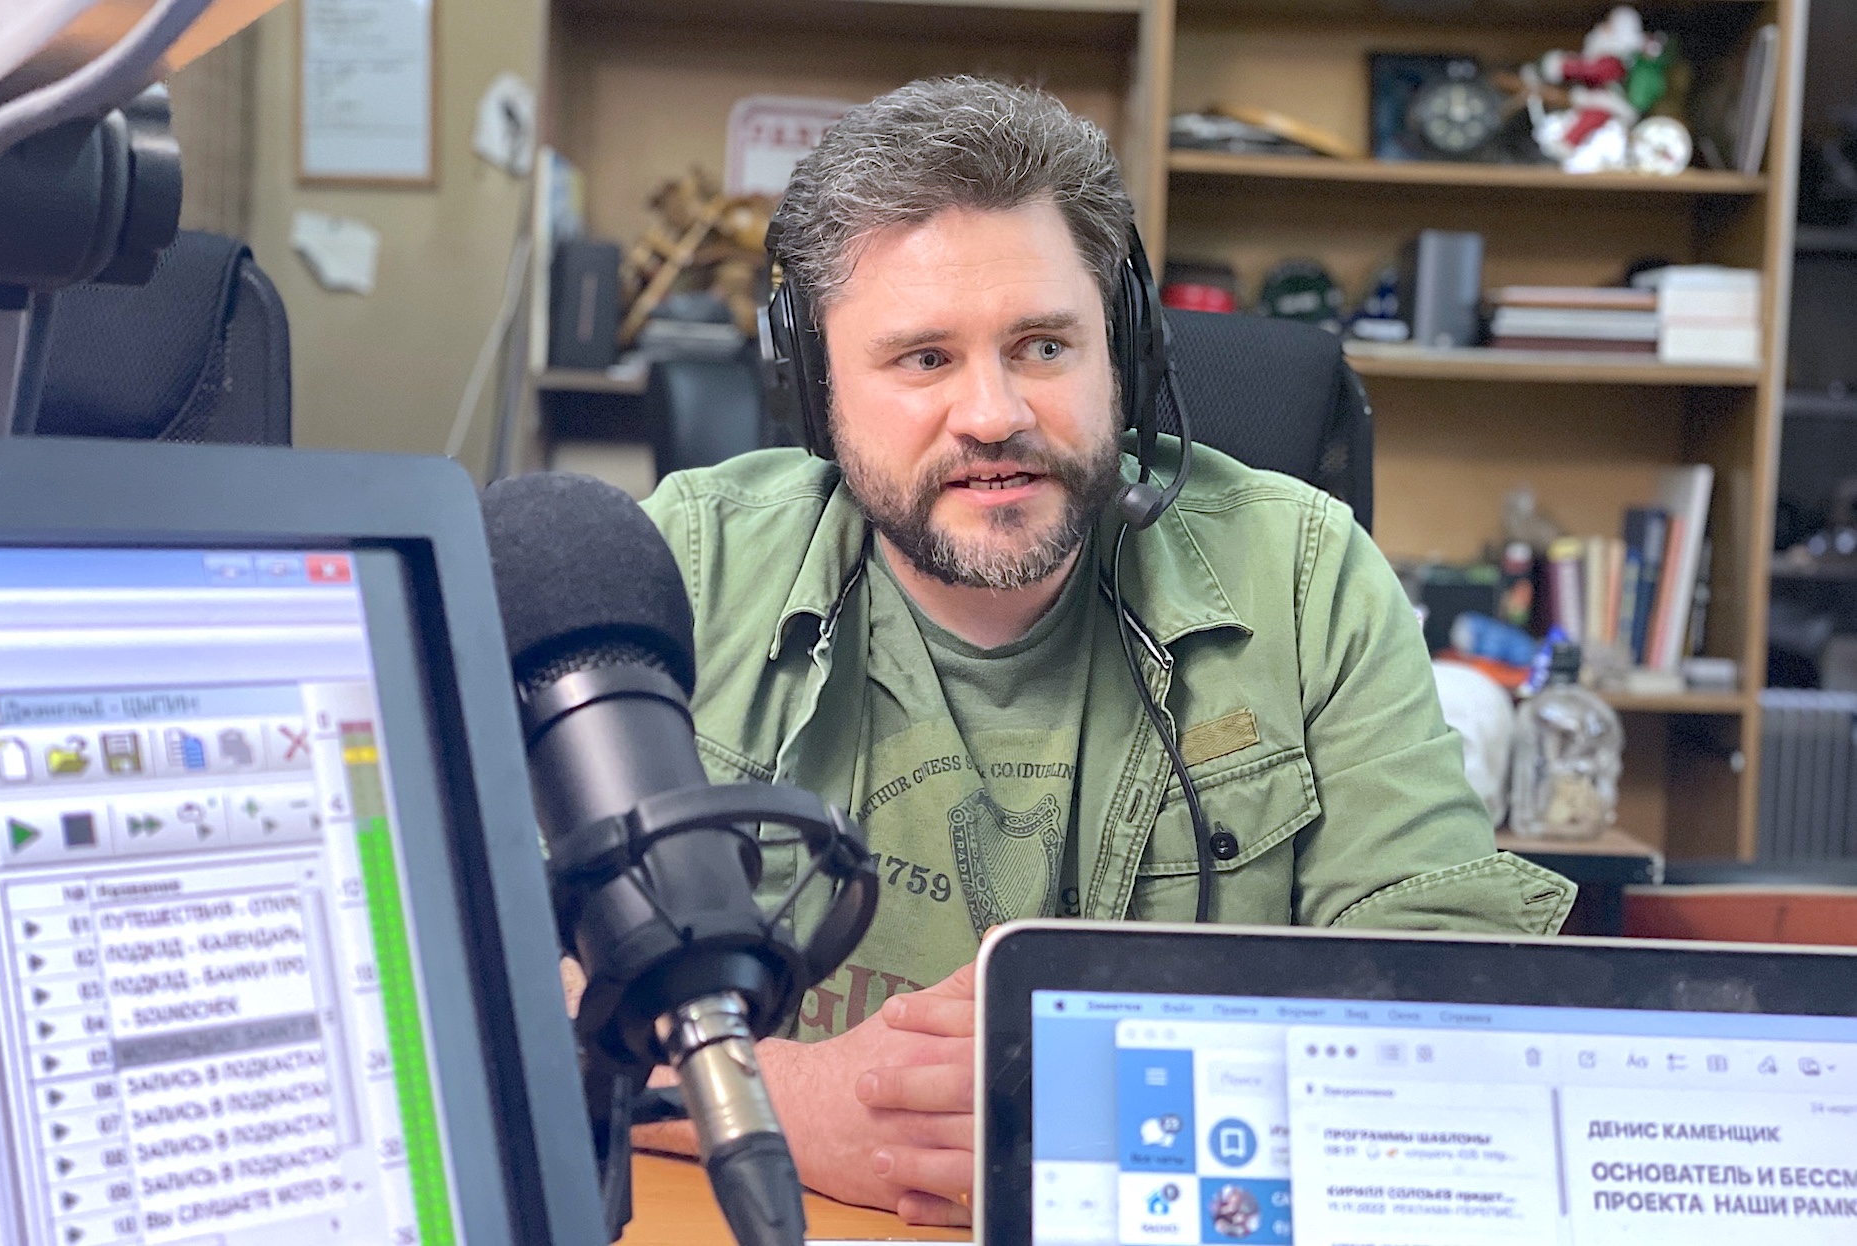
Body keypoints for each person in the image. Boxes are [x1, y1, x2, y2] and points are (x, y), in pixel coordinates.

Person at [621, 76, 1575, 1225]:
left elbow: (1454, 991)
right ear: (815, 392)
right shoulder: (684, 567)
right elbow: (492, 954)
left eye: (1041, 345)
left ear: (1121, 353)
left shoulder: (1305, 576)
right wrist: (780, 1100)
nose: (992, 414)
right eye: (922, 358)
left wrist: (1105, 1091)